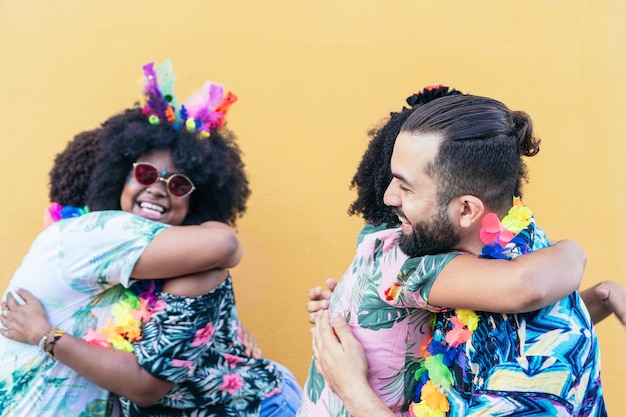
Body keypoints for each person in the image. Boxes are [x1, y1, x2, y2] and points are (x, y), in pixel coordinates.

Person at [0, 60, 301, 417]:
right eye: (145, 174)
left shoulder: (198, 269)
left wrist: (44, 335)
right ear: (118, 178)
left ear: (196, 202)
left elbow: (145, 386)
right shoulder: (105, 248)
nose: (159, 189)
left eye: (178, 184)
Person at [296, 86, 594, 417]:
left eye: (406, 187)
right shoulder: (523, 252)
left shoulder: (524, 369)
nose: (388, 198)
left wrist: (351, 388)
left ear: (467, 210)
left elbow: (526, 290)